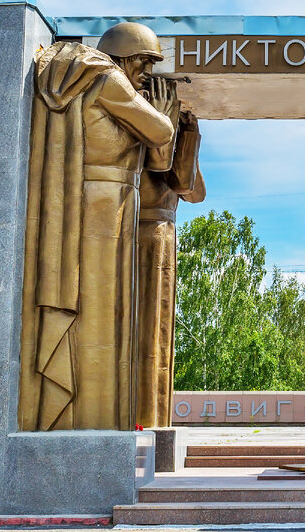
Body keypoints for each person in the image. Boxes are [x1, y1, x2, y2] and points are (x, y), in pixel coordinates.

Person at [18, 23, 176, 431]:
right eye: (144, 60)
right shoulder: (107, 77)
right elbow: (160, 131)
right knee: (104, 310)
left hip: (96, 201)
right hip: (104, 204)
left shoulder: (80, 77)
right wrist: (162, 112)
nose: (147, 71)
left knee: (105, 312)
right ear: (124, 53)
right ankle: (92, 419)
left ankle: (90, 417)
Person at [135, 106, 206, 429]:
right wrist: (189, 135)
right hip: (148, 234)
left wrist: (186, 141)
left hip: (158, 231)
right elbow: (179, 180)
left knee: (156, 337)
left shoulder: (170, 144)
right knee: (146, 334)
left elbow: (195, 192)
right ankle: (142, 419)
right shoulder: (153, 137)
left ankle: (148, 420)